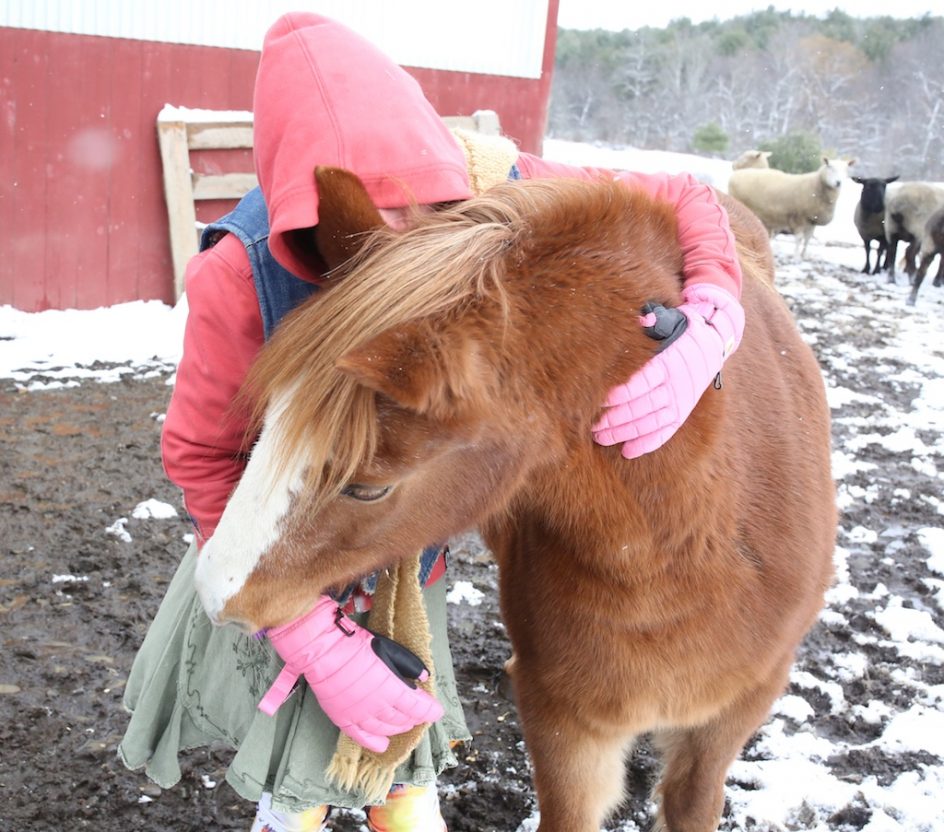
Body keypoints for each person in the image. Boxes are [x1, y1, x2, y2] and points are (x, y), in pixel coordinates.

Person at [119, 11, 744, 832]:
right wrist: (315, 641)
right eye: (389, 236)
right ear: (333, 229)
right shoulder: (239, 277)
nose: (424, 250)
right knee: (302, 771)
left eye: (437, 213)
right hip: (280, 542)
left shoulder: (494, 186)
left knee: (399, 760)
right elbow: (202, 453)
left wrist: (714, 312)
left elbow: (686, 195)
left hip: (399, 547)